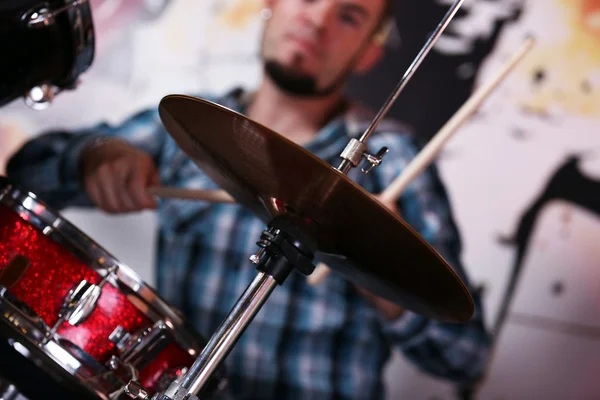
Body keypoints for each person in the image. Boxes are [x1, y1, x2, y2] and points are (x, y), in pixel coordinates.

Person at [6, 0, 491, 399]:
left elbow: (464, 357)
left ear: (367, 54)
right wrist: (95, 156)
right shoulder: (196, 125)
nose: (316, 19)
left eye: (348, 15)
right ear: (272, 4)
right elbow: (29, 170)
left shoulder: (395, 169)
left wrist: (388, 276)